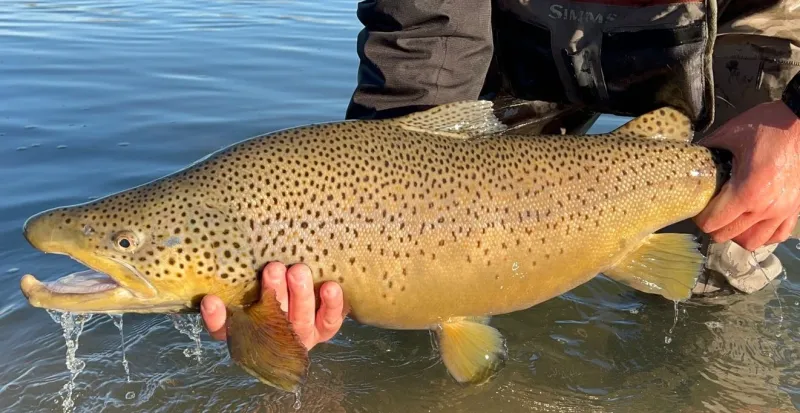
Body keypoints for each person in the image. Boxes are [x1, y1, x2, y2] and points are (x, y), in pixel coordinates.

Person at [202, 0, 800, 349]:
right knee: (469, 249)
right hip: (519, 26)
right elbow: (426, 29)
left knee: (732, 250)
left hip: (742, 22)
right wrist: (393, 198)